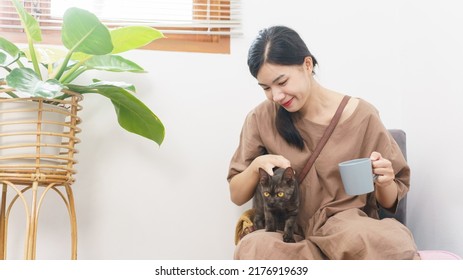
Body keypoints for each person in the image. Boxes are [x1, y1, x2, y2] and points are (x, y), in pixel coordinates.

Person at [227, 25, 419, 260]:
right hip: (288, 235)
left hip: (346, 230)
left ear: (307, 65)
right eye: (266, 88)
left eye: (282, 82)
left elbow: (389, 203)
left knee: (388, 243)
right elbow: (236, 194)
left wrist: (385, 181)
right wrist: (257, 165)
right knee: (254, 247)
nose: (276, 96)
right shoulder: (261, 118)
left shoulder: (363, 116)